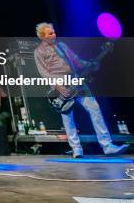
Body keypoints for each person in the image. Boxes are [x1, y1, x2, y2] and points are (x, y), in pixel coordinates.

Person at [33, 22, 128, 158]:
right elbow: (44, 73)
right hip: (61, 84)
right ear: (42, 36)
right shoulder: (38, 51)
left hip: (76, 80)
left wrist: (90, 64)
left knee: (94, 108)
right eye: (50, 33)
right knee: (68, 117)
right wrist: (59, 87)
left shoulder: (62, 46)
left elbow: (76, 61)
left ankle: (107, 146)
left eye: (54, 32)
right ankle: (76, 149)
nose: (54, 34)